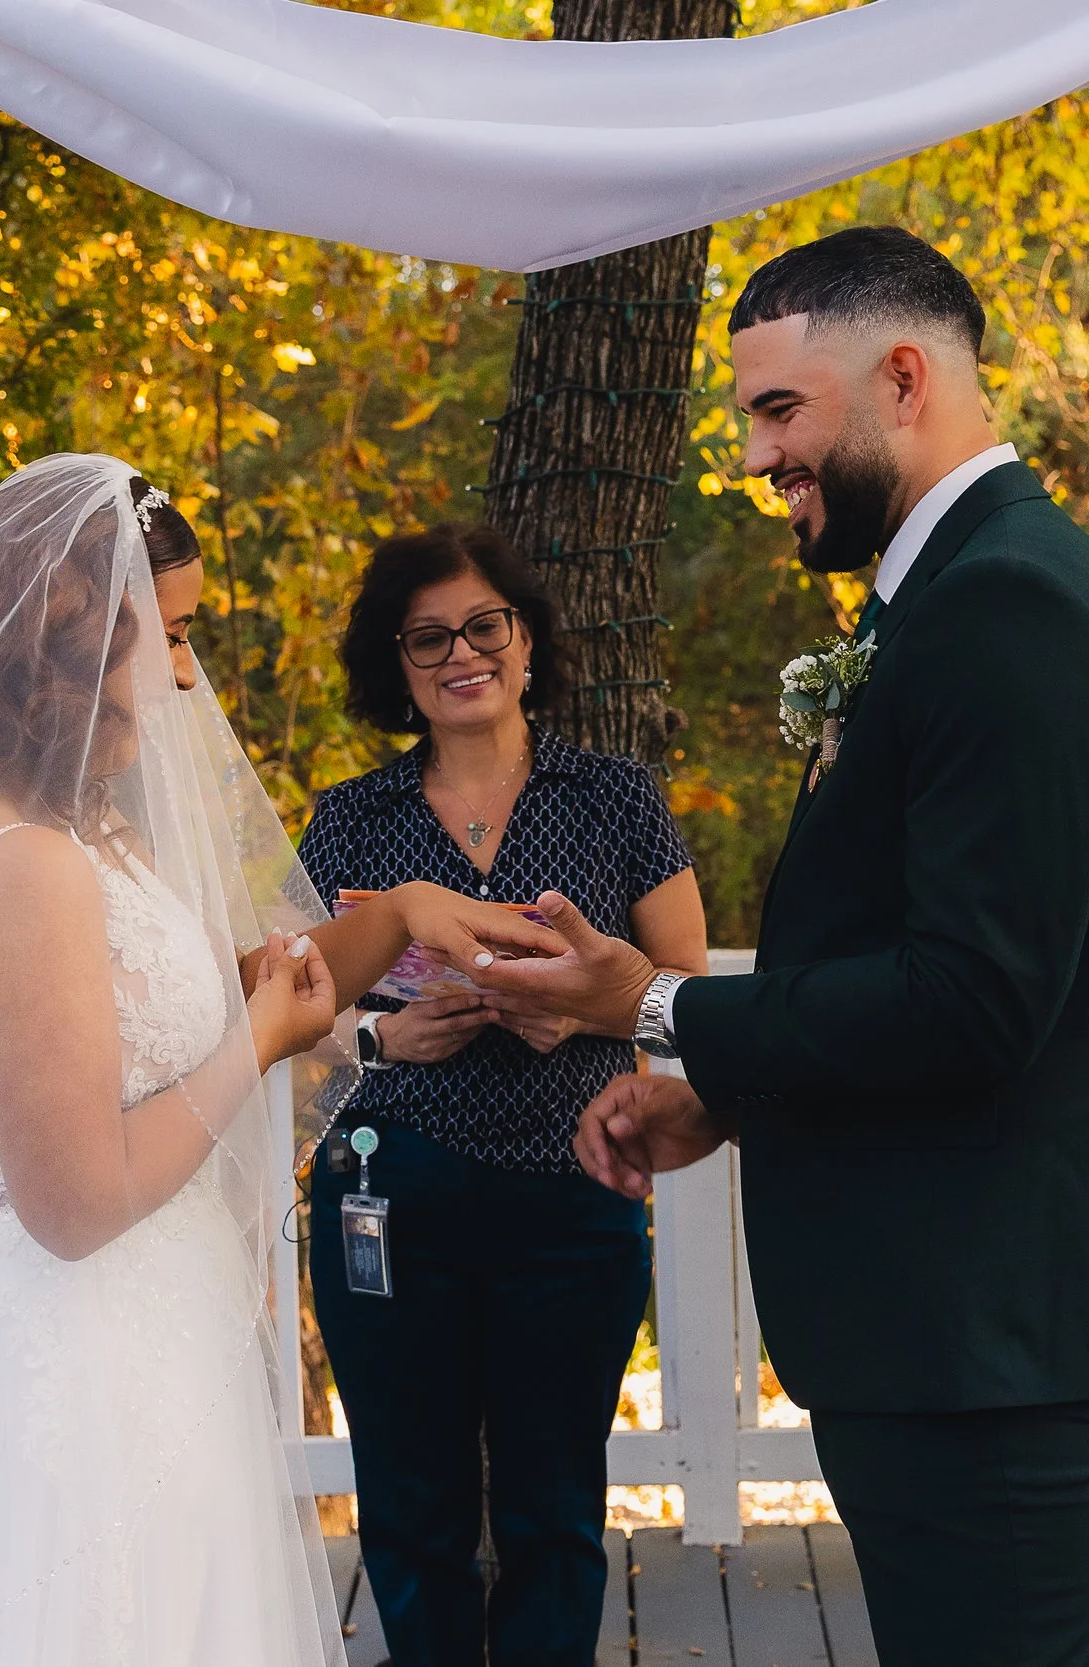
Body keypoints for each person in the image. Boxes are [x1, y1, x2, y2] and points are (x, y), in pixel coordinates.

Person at [465, 227, 1089, 1666]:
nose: (757, 456)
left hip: (983, 1324)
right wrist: (727, 1094)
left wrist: (660, 1001)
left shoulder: (1011, 608)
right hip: (945, 1323)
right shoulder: (957, 594)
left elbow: (979, 999)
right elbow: (932, 961)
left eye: (779, 411)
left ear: (902, 375)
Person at [0, 456, 526, 1667]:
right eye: (169, 638)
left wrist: (397, 914)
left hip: (146, 1355)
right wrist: (265, 1044)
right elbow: (75, 1200)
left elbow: (167, 1005)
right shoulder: (22, 866)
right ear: (69, 644)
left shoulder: (73, 835)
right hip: (81, 1382)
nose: (184, 672)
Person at [295, 524, 707, 1667]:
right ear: (399, 664)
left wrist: (582, 1009)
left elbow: (686, 986)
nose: (461, 652)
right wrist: (384, 1029)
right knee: (409, 1500)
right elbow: (294, 1001)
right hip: (388, 1192)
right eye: (429, 637)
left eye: (485, 625)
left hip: (570, 1193)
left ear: (525, 640)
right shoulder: (349, 818)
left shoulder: (617, 797)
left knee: (553, 1501)